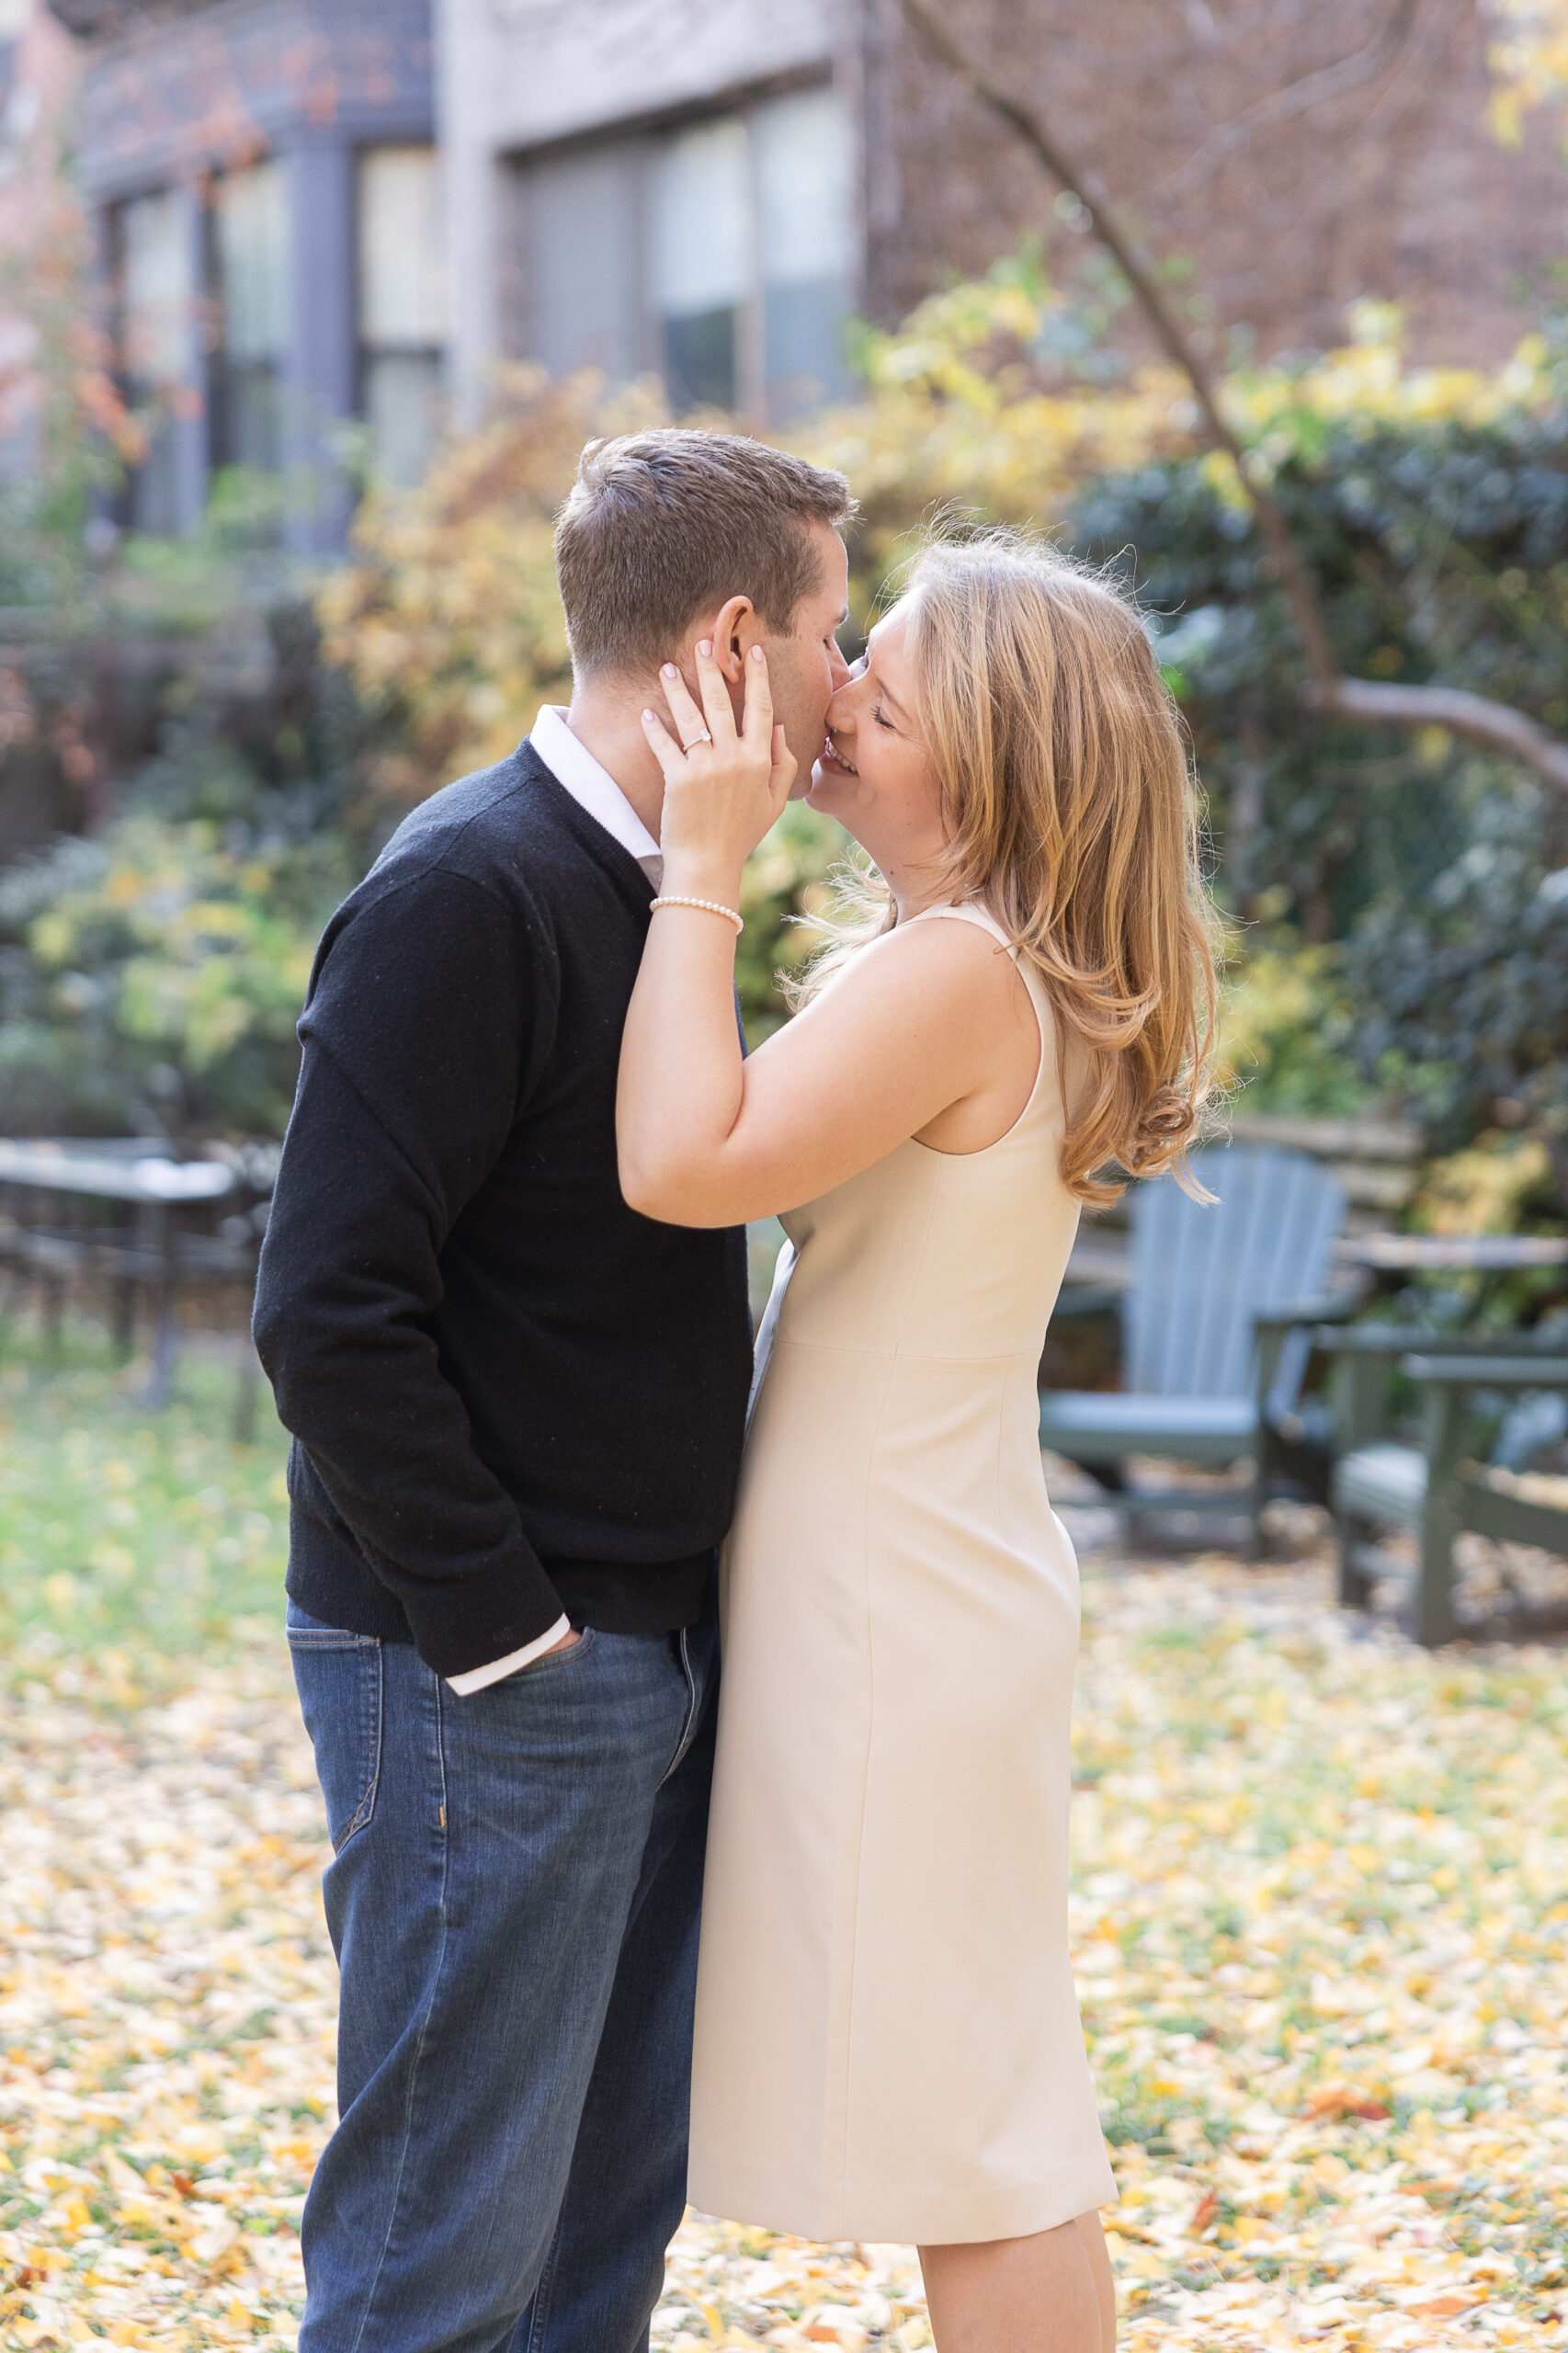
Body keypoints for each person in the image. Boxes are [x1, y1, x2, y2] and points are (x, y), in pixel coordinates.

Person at [251, 428, 856, 2353]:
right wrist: (510, 1633)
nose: (849, 687)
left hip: (653, 1663)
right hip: (494, 1675)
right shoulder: (468, 889)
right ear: (738, 636)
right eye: (837, 634)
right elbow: (325, 1311)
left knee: (594, 2257)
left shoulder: (670, 888)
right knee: (441, 2263)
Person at [616, 532, 1219, 2353]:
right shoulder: (968, 958)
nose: (846, 681)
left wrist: (698, 870)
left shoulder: (959, 970)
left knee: (986, 2138)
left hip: (897, 1598)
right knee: (990, 2110)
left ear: (1005, 746)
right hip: (920, 1576)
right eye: (855, 643)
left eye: (897, 669)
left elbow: (679, 1162)